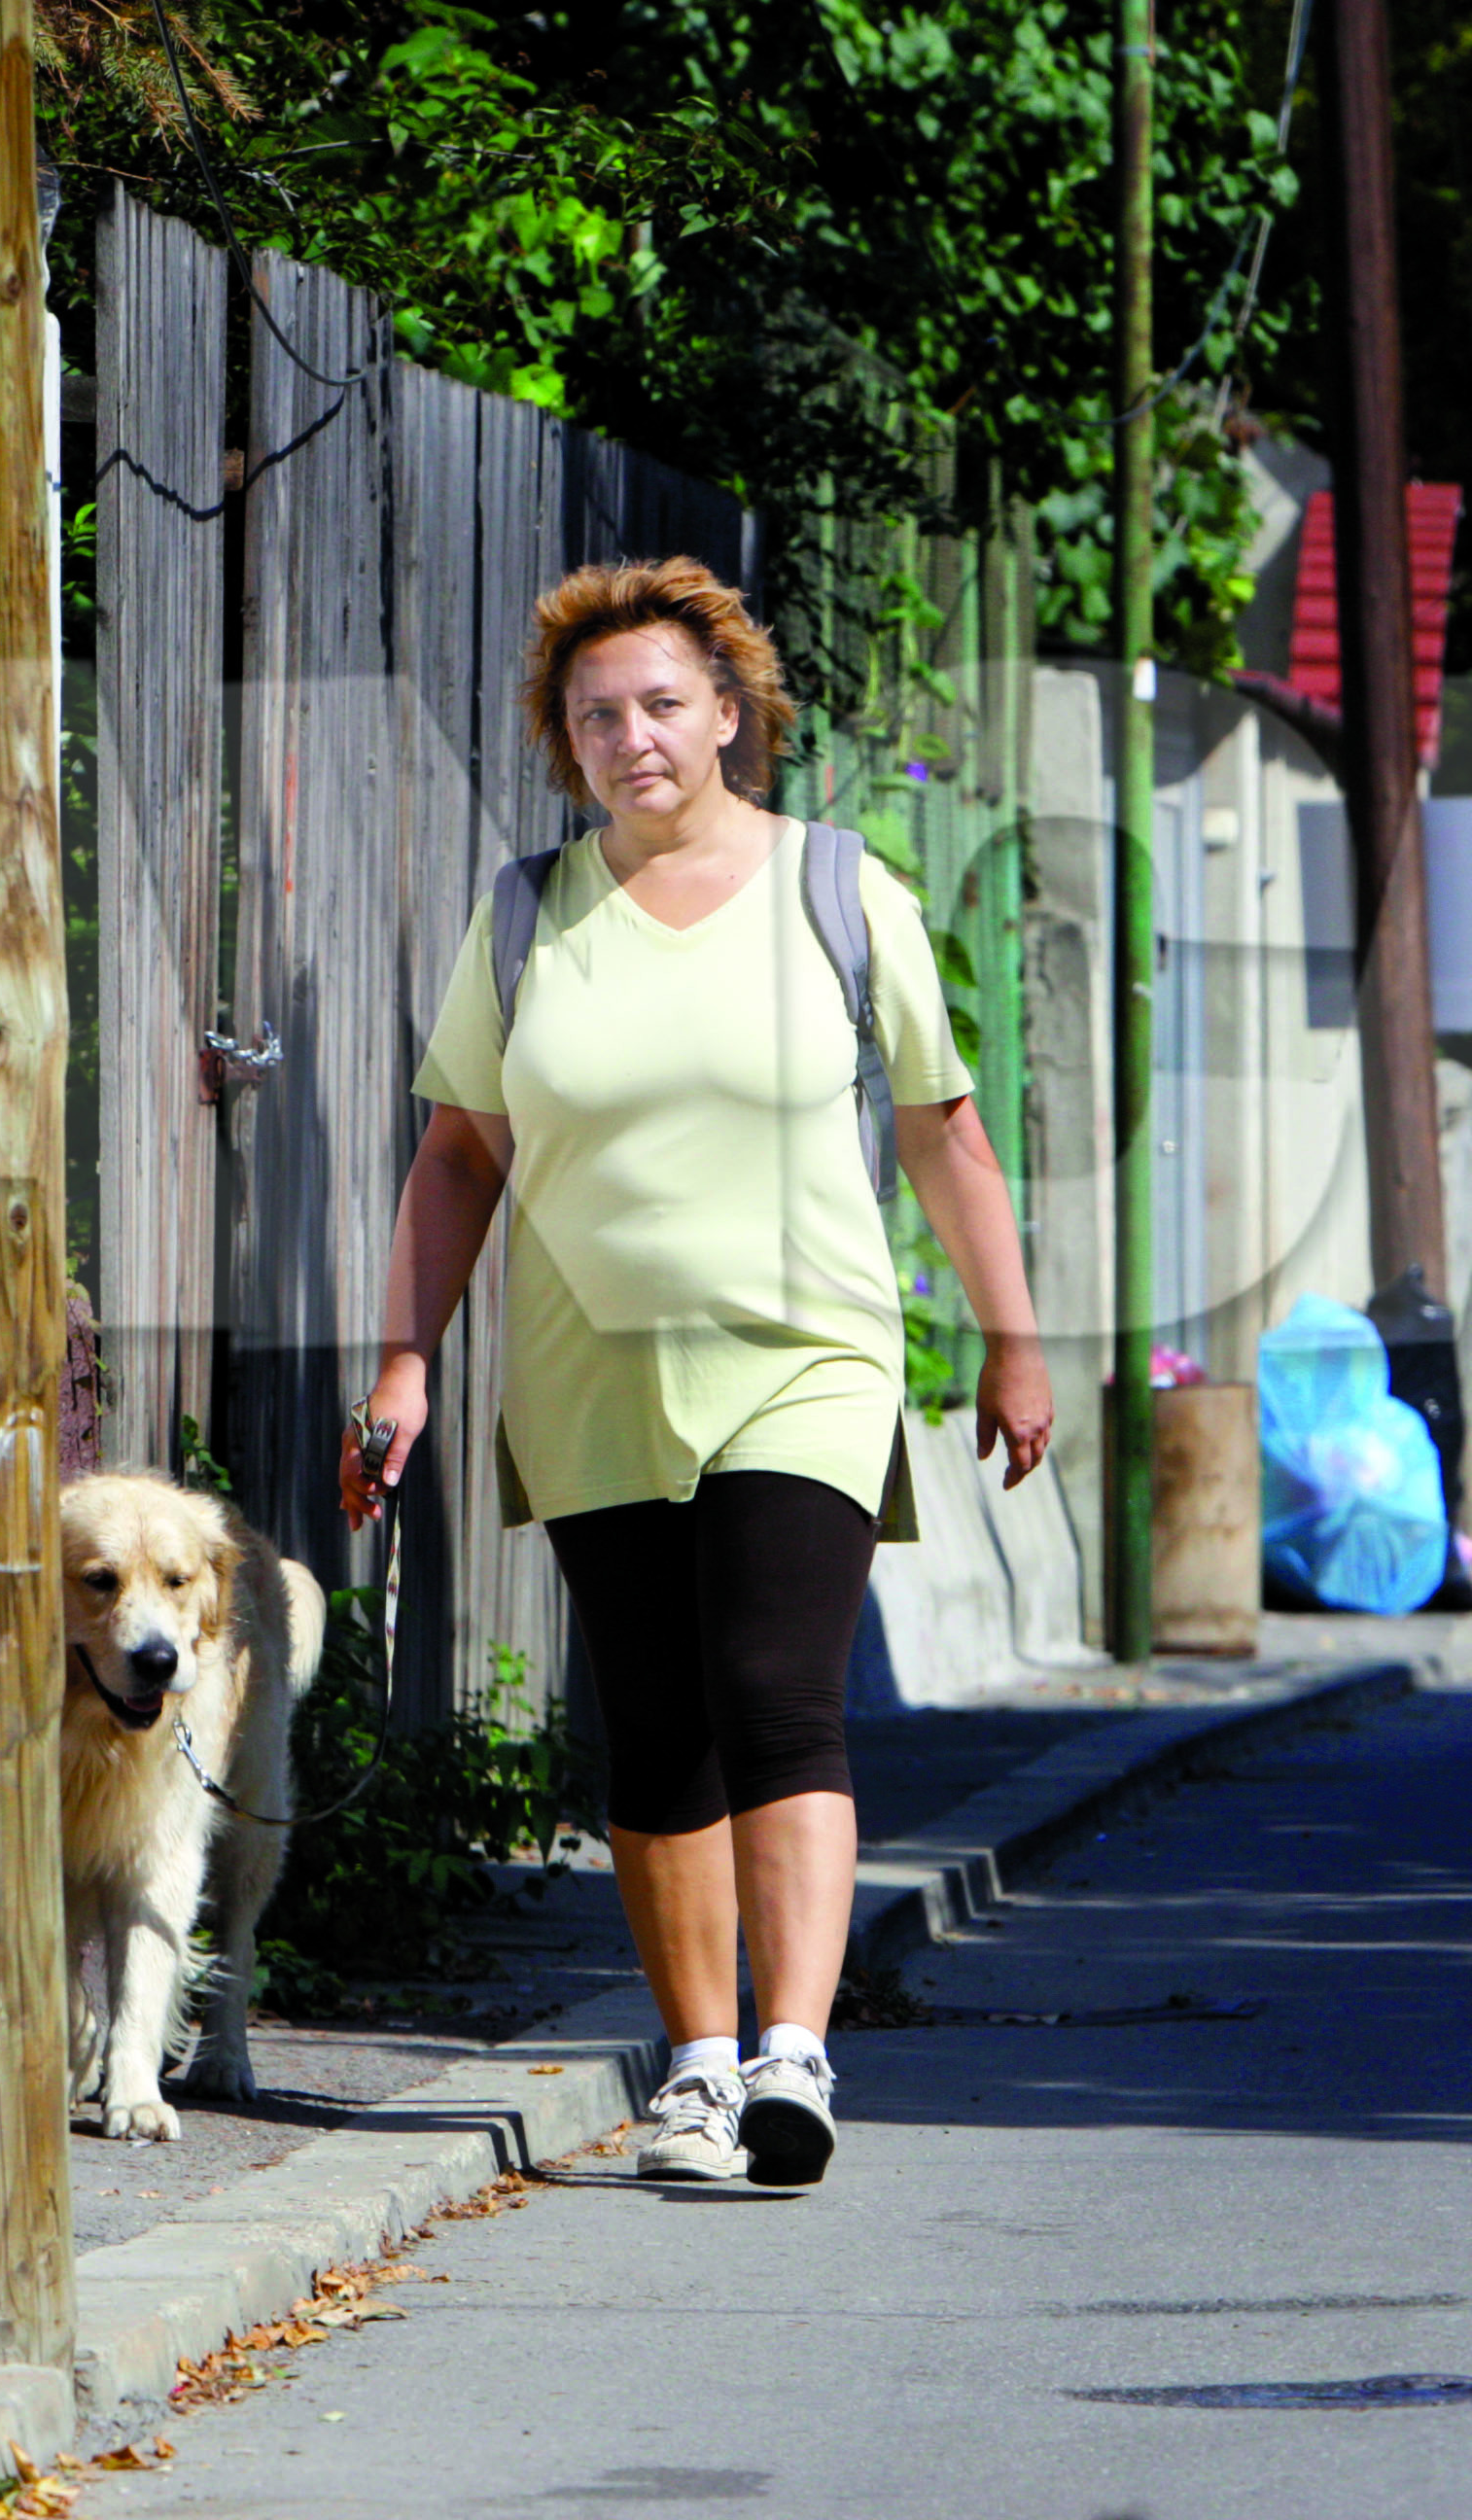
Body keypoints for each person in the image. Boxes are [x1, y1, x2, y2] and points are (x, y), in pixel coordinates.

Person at [340, 557, 1051, 2190]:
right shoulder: (527, 914)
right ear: (565, 741)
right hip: (589, 1370)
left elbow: (944, 1134)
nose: (631, 737)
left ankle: (793, 2051)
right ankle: (697, 2070)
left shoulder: (836, 890)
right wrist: (402, 1364)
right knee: (654, 1722)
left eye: (662, 703)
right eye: (596, 716)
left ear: (729, 714)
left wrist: (1012, 1340)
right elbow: (458, 1155)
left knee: (773, 1691)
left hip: (806, 1357)